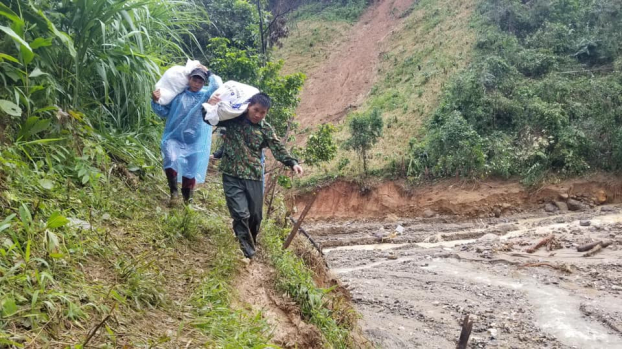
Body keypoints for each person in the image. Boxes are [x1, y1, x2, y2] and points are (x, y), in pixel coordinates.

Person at [205, 92, 303, 259]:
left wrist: (293, 163)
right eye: (255, 110)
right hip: (232, 175)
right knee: (240, 213)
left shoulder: (265, 128)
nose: (258, 115)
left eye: (262, 112)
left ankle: (250, 241)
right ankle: (248, 252)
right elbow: (209, 119)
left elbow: (277, 147)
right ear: (249, 105)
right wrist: (210, 104)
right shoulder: (232, 118)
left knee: (255, 216)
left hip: (254, 176)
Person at [151, 68, 221, 206]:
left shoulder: (204, 96)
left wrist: (210, 72)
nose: (196, 84)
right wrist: (155, 101)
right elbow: (163, 111)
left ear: (203, 83)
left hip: (194, 140)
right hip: (173, 136)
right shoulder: (177, 96)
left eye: (200, 81)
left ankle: (187, 202)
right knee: (171, 159)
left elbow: (216, 85)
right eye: (194, 80)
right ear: (189, 79)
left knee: (191, 169)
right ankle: (174, 193)